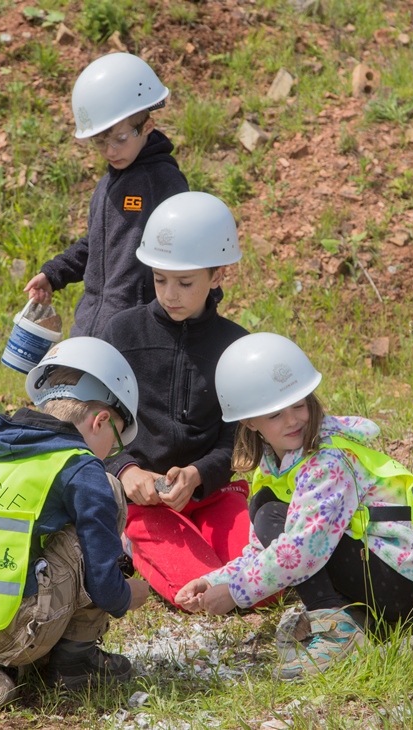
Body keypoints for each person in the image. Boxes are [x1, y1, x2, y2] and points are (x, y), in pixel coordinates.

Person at [176, 333, 413, 679]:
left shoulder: (326, 460)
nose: (293, 421)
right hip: (386, 577)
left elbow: (303, 549)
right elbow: (264, 550)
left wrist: (235, 593)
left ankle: (337, 630)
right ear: (249, 422)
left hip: (402, 582)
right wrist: (213, 579)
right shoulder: (277, 466)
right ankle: (354, 619)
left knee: (270, 513)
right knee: (268, 508)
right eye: (276, 414)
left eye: (299, 405)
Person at [0, 337, 151, 709]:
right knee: (110, 495)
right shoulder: (81, 468)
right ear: (101, 420)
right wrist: (126, 596)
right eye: (116, 440)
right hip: (9, 632)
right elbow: (103, 584)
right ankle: (75, 662)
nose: (111, 453)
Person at [99, 191, 252, 608]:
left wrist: (199, 474)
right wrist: (126, 471)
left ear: (217, 276)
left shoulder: (235, 346)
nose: (170, 294)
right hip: (142, 500)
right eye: (159, 279)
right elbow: (93, 424)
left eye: (185, 283)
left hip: (214, 493)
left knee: (256, 584)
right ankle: (128, 538)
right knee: (200, 590)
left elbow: (233, 443)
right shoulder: (121, 333)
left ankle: (192, 542)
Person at [24, 52, 189, 338]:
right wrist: (53, 274)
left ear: (146, 127)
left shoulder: (164, 181)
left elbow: (190, 247)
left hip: (137, 331)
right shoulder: (106, 186)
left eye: (120, 139)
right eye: (100, 142)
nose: (110, 151)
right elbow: (96, 245)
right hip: (91, 324)